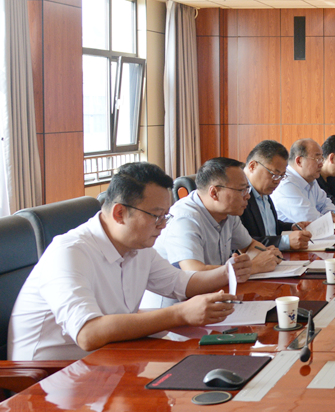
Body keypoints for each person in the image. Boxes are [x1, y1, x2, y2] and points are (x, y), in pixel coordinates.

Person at [8, 162, 247, 361]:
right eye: (156, 216)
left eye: (166, 216)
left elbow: (181, 283)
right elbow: (88, 333)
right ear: (119, 213)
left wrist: (228, 272)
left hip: (110, 359)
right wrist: (179, 313)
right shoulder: (69, 252)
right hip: (49, 378)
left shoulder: (138, 246)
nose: (163, 225)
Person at [155, 157, 280, 275]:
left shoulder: (228, 213)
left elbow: (250, 246)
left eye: (247, 189)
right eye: (242, 190)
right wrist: (252, 266)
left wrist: (265, 257)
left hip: (217, 287)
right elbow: (195, 272)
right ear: (214, 193)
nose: (247, 196)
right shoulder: (185, 218)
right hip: (180, 291)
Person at [240, 140, 312, 250]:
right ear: (253, 166)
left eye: (282, 176)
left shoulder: (263, 191)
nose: (277, 181)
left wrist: (291, 227)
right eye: (274, 174)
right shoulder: (239, 194)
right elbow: (241, 242)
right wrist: (285, 241)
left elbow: (268, 227)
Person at [270, 138, 335, 223]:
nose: (321, 164)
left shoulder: (311, 180)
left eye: (321, 159)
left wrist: (333, 214)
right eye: (317, 159)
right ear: (299, 161)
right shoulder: (285, 183)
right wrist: (329, 218)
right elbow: (309, 219)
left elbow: (328, 206)